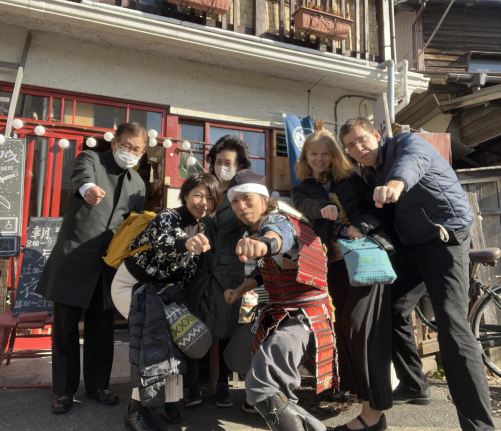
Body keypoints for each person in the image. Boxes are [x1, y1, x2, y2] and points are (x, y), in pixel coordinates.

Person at [339, 118, 494, 431]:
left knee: (452, 326)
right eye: (350, 147)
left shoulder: (408, 145)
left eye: (361, 140)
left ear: (376, 135)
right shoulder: (369, 173)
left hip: (445, 236)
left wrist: (395, 185)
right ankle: (413, 384)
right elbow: (382, 211)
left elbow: (412, 165)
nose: (358, 149)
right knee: (390, 307)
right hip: (412, 244)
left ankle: (480, 426)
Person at [35, 122, 147, 414]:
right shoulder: (91, 159)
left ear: (143, 152)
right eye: (126, 146)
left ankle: (98, 386)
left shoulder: (138, 183)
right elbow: (81, 177)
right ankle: (63, 391)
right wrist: (87, 188)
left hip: (109, 264)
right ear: (115, 144)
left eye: (137, 149)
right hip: (75, 258)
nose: (130, 152)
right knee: (65, 328)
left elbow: (132, 225)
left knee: (102, 328)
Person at [291, 129, 393, 431]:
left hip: (367, 260)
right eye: (314, 154)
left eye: (326, 153)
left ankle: (373, 415)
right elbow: (306, 209)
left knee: (359, 328)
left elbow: (379, 212)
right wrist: (325, 213)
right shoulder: (303, 189)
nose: (320, 158)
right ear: (306, 158)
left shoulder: (353, 180)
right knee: (343, 330)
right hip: (333, 267)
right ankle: (362, 402)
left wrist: (359, 226)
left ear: (334, 156)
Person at [223, 169, 338, 431]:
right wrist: (240, 289)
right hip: (279, 314)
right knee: (236, 354)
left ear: (264, 198)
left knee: (260, 385)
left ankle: (274, 402)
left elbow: (280, 237)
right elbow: (264, 271)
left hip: (305, 317)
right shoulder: (258, 227)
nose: (241, 207)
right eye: (235, 202)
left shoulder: (277, 221)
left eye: (247, 198)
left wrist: (263, 243)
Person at [110, 172, 223, 431]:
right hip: (131, 285)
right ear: (185, 194)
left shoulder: (200, 227)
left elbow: (187, 274)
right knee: (150, 336)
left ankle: (167, 400)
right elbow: (163, 241)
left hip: (158, 292)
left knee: (174, 339)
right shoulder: (168, 216)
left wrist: (177, 290)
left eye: (210, 198)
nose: (203, 202)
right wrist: (187, 243)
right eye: (197, 194)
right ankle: (135, 410)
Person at [186, 135, 251, 408]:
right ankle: (192, 384)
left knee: (224, 329)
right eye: (219, 161)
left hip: (228, 271)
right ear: (211, 163)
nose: (223, 166)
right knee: (194, 327)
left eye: (229, 163)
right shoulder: (202, 187)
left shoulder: (242, 194)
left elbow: (235, 224)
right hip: (199, 271)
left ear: (238, 166)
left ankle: (223, 384)